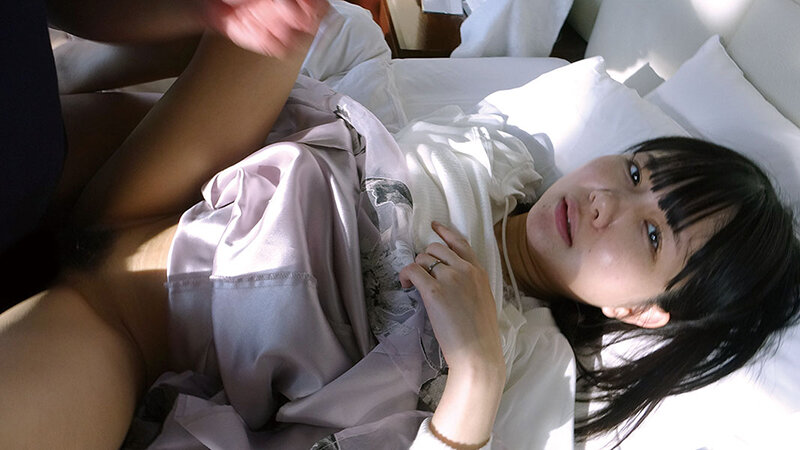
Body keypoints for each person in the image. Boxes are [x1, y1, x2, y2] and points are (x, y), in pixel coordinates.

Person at [1, 11, 799, 450]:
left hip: (130, 321)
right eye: (633, 172)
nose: (606, 202)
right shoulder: (500, 151)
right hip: (180, 177)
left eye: (652, 235)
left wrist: (475, 374)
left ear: (641, 314)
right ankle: (60, 77)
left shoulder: (525, 354)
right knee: (294, 14)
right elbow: (360, 82)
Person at [0, 0, 328, 308]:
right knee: (105, 250)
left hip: (37, 138)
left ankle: (67, 70)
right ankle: (68, 71)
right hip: (26, 189)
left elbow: (61, 7)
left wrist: (202, 7)